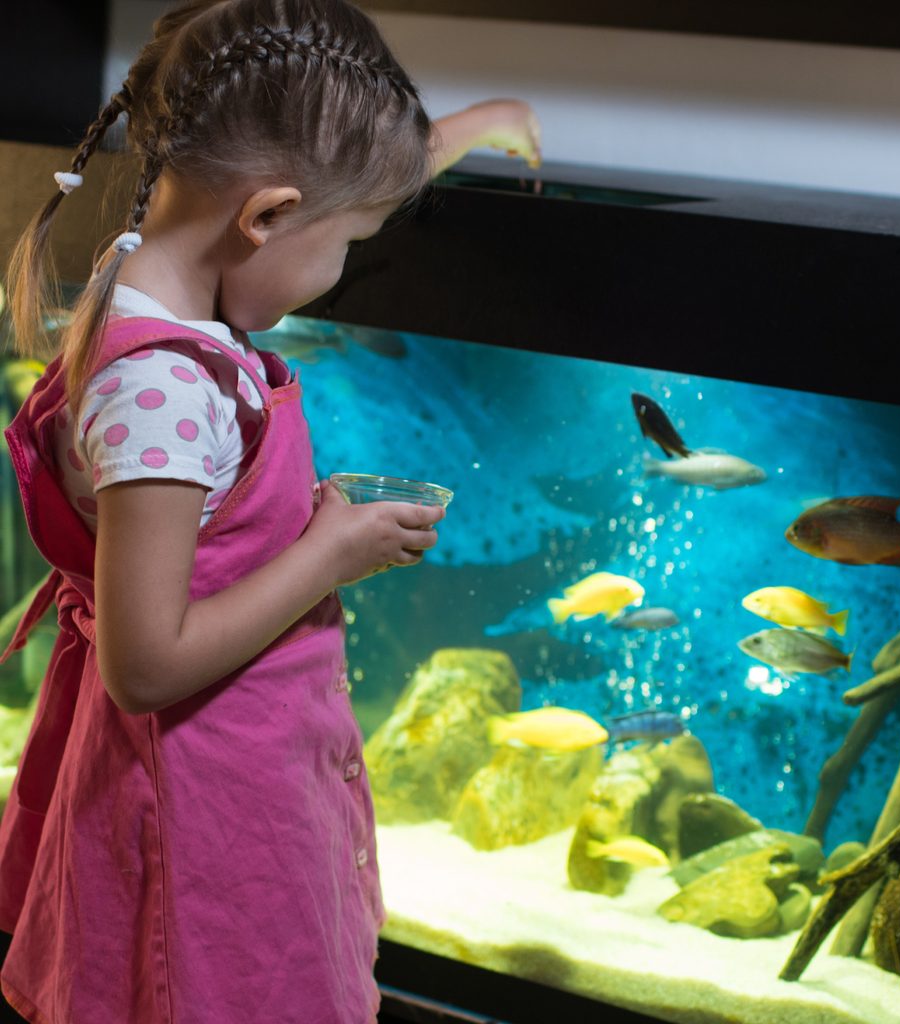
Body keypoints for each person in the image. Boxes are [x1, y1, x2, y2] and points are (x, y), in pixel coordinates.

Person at [0, 1, 541, 1021]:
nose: (339, 274)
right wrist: (325, 553)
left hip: (233, 778)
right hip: (202, 809)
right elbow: (145, 660)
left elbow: (325, 175)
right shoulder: (161, 392)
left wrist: (478, 126)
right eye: (348, 244)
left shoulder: (150, 290)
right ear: (266, 216)